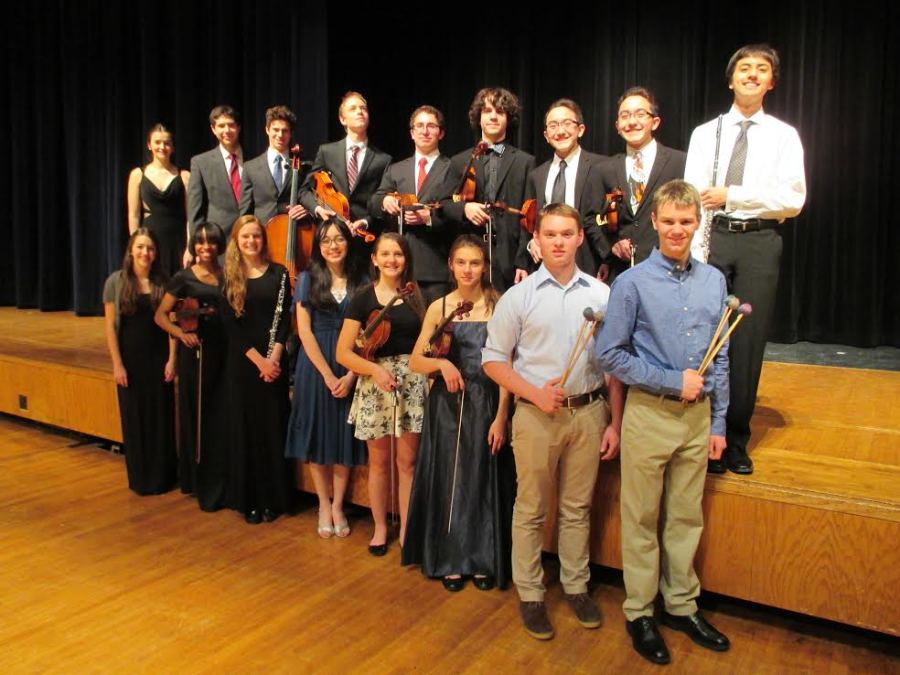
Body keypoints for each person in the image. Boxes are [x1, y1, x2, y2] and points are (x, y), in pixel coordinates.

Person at [596, 180, 731, 665]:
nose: (677, 230)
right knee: (641, 518)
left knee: (685, 517)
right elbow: (608, 352)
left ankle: (680, 605)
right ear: (654, 222)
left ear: (698, 224)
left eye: (686, 222)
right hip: (650, 415)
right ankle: (639, 612)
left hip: (697, 423)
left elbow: (722, 357)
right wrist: (672, 380)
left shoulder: (714, 281)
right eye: (669, 221)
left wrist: (718, 422)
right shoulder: (630, 283)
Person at [482, 203, 622, 640]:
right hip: (535, 416)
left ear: (580, 238)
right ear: (536, 241)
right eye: (550, 235)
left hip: (589, 412)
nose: (558, 242)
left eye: (567, 234)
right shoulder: (518, 297)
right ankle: (531, 593)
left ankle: (577, 586)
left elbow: (614, 366)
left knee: (577, 508)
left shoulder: (602, 296)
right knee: (530, 510)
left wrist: (614, 422)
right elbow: (492, 361)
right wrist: (534, 393)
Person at [684, 44, 806, 475]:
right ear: (730, 78)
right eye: (744, 68)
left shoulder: (783, 135)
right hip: (714, 236)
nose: (752, 75)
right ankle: (705, 432)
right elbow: (695, 196)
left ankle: (735, 438)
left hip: (759, 239)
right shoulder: (705, 133)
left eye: (761, 70)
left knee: (748, 341)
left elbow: (792, 198)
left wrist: (734, 195)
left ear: (771, 81)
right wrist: (696, 250)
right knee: (706, 335)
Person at [404, 234, 515, 592]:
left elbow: (506, 365)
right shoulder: (440, 307)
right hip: (448, 408)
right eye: (462, 262)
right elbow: (416, 360)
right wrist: (442, 367)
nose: (468, 270)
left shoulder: (499, 305)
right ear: (451, 266)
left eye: (476, 263)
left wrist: (501, 417)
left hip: (485, 404)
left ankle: (482, 560)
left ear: (485, 267)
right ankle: (450, 559)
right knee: (450, 482)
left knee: (481, 480)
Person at [336, 233, 426, 556]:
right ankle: (379, 528)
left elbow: (424, 344)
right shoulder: (362, 298)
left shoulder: (417, 297)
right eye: (385, 254)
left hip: (411, 383)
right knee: (379, 463)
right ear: (374, 259)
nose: (392, 260)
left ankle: (406, 529)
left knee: (408, 463)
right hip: (376, 382)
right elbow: (343, 353)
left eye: (398, 254)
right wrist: (374, 371)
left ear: (405, 260)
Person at [285, 218, 367, 538]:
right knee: (317, 436)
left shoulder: (362, 281)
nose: (333, 246)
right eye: (325, 240)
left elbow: (366, 334)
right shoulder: (307, 279)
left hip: (351, 363)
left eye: (338, 239)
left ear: (348, 242)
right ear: (318, 247)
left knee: (344, 436)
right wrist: (328, 374)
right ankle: (322, 502)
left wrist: (349, 375)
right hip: (315, 365)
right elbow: (303, 331)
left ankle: (338, 505)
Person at [222, 215, 293, 524]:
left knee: (272, 431)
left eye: (256, 236)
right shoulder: (229, 277)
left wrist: (274, 358)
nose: (251, 241)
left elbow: (285, 323)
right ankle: (250, 500)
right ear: (237, 241)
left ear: (263, 239)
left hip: (273, 364)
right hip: (245, 365)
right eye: (245, 237)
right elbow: (231, 329)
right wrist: (260, 361)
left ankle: (273, 498)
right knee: (247, 433)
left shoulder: (279, 274)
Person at [154, 222, 229, 512]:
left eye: (211, 242)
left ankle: (219, 474)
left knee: (218, 415)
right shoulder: (183, 278)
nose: (206, 247)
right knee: (197, 415)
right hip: (195, 354)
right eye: (200, 242)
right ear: (193, 246)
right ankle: (197, 479)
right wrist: (180, 334)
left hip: (222, 352)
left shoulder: (225, 274)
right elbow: (161, 315)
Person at [103, 228, 177, 495]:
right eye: (141, 247)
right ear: (131, 251)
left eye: (151, 248)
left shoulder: (164, 282)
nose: (146, 253)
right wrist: (117, 364)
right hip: (131, 362)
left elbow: (172, 324)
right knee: (134, 420)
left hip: (158, 360)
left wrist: (172, 360)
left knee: (161, 419)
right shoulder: (116, 282)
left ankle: (162, 477)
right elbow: (111, 327)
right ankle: (140, 478)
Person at [443, 87, 535, 292]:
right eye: (487, 111)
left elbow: (529, 217)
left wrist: (522, 261)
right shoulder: (460, 161)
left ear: (508, 118)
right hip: (470, 256)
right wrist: (464, 209)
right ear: (478, 117)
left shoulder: (525, 162)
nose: (493, 116)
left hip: (509, 259)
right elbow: (444, 204)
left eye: (500, 112)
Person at [597, 87, 687, 282]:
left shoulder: (679, 162)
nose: (632, 122)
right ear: (617, 125)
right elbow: (591, 217)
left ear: (654, 122)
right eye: (625, 116)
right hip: (622, 271)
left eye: (640, 114)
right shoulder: (605, 168)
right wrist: (610, 246)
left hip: (669, 267)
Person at [369, 105, 454, 303]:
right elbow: (373, 203)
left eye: (431, 126)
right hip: (398, 268)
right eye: (420, 126)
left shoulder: (452, 168)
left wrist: (429, 218)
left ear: (441, 133)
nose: (425, 131)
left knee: (435, 332)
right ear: (411, 133)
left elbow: (457, 214)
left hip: (436, 268)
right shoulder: (396, 169)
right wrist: (385, 200)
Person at [519, 99, 609, 278]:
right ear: (546, 135)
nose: (560, 131)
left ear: (580, 129)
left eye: (567, 123)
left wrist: (607, 259)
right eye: (553, 125)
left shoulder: (601, 167)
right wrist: (531, 245)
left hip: (590, 265)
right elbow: (528, 221)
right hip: (544, 266)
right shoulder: (537, 175)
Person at [299, 91, 391, 244]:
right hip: (331, 235)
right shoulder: (327, 152)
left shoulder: (383, 159)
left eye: (363, 108)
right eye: (353, 108)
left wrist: (366, 221)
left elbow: (381, 201)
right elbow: (304, 191)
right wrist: (317, 209)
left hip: (364, 237)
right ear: (342, 119)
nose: (359, 112)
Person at [126, 124, 191, 275]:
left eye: (167, 143)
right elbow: (134, 215)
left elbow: (190, 217)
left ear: (173, 147)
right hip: (150, 240)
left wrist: (189, 247)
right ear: (149, 145)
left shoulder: (185, 176)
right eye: (157, 142)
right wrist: (136, 247)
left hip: (177, 241)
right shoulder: (137, 175)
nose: (162, 146)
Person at [239, 105, 309, 226]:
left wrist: (307, 211)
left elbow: (310, 199)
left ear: (291, 133)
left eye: (285, 130)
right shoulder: (250, 167)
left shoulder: (304, 166)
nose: (280, 135)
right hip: (262, 235)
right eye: (275, 129)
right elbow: (246, 211)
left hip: (295, 232)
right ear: (267, 130)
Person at [188, 105, 243, 250]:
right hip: (218, 242)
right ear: (213, 129)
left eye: (231, 125)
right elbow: (195, 211)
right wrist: (196, 246)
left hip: (250, 240)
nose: (226, 130)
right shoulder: (200, 163)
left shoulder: (255, 159)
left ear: (238, 127)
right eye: (221, 126)